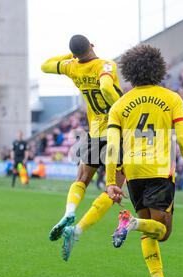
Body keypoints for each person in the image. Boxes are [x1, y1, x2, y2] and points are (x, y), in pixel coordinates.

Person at [105, 45, 183, 277]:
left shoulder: (119, 105)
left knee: (149, 230)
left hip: (134, 172)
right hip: (160, 170)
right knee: (163, 233)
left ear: (130, 72)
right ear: (158, 67)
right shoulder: (172, 98)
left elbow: (112, 146)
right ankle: (132, 223)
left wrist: (110, 182)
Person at [41, 35, 125, 261]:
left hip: (94, 132)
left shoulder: (72, 68)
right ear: (92, 46)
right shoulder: (105, 65)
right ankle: (77, 231)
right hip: (115, 132)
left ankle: (69, 212)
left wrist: (72, 57)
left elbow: (45, 65)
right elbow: (107, 87)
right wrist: (122, 106)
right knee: (114, 188)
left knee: (81, 179)